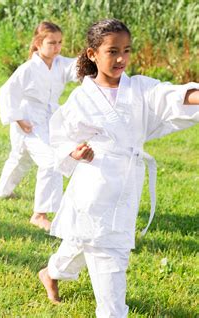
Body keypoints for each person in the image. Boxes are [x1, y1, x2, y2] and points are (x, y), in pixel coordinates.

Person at [39, 18, 198, 317]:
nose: (121, 58)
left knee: (78, 242)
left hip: (125, 188)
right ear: (92, 54)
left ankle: (50, 272)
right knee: (107, 258)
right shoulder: (80, 99)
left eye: (126, 50)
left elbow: (171, 96)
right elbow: (58, 138)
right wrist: (75, 153)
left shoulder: (139, 88)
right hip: (92, 189)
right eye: (112, 51)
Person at [0, 21, 78, 231]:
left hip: (50, 120)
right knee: (51, 161)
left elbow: (77, 68)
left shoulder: (60, 63)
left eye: (60, 43)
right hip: (28, 121)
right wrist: (17, 117)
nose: (57, 47)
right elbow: (7, 91)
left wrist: (97, 57)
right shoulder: (29, 68)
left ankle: (3, 191)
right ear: (38, 43)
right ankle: (40, 214)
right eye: (52, 43)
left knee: (20, 158)